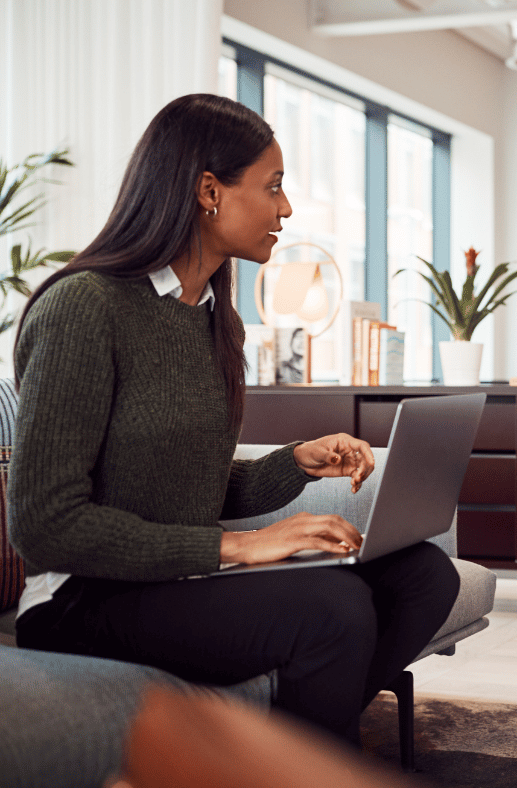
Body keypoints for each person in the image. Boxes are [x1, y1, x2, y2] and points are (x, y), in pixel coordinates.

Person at [7, 94, 460, 745]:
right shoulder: (85, 307)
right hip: (85, 598)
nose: (287, 209)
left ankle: (283, 748)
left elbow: (188, 487)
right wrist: (237, 547)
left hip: (178, 579)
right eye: (273, 187)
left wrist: (298, 462)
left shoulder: (212, 319)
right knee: (333, 611)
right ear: (208, 191)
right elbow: (44, 526)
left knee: (424, 577)